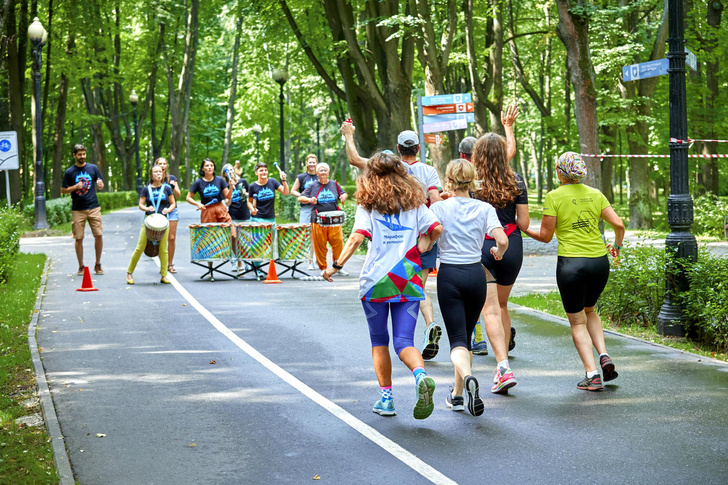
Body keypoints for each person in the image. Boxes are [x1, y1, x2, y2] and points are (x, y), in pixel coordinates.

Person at [322, 151, 443, 419]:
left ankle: (387, 399)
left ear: (371, 176)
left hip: (375, 282)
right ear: (401, 173)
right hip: (407, 278)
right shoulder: (415, 205)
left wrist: (336, 266)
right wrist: (423, 247)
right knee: (404, 342)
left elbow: (356, 237)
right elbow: (436, 228)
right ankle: (420, 375)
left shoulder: (368, 205)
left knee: (379, 341)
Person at [340, 123, 445, 362]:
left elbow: (355, 158)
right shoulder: (428, 171)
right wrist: (428, 237)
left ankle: (429, 326)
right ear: (418, 148)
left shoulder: (381, 168)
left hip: (388, 249)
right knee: (417, 284)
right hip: (421, 235)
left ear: (398, 149)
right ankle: (429, 324)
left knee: (380, 340)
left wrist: (349, 135)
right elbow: (436, 203)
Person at [524, 152, 625, 391]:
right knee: (590, 310)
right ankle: (603, 354)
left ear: (560, 172)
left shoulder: (554, 196)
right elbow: (619, 224)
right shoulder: (595, 194)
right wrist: (617, 247)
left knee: (577, 321)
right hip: (599, 262)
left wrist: (523, 229)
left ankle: (592, 375)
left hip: (572, 265)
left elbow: (545, 237)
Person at [430, 159, 508, 416]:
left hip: (450, 274)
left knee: (457, 342)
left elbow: (428, 239)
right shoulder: (484, 208)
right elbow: (502, 240)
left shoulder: (439, 208)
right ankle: (458, 395)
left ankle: (469, 378)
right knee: (465, 338)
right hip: (476, 275)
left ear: (449, 181)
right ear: (473, 180)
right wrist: (497, 251)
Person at [473, 109, 528, 395]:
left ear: (477, 155)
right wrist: (508, 128)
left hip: (483, 247)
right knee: (503, 306)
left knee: (490, 310)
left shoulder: (472, 183)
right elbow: (524, 223)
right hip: (512, 246)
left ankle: (502, 366)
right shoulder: (516, 180)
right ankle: (503, 360)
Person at [126, 165, 176, 285]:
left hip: (163, 222)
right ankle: (129, 273)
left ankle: (164, 275)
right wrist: (147, 208)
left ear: (163, 174)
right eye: (155, 171)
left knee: (163, 249)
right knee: (140, 247)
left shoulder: (167, 188)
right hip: (149, 221)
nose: (158, 173)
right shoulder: (146, 189)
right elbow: (140, 205)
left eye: (160, 171)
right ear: (151, 175)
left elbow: (173, 203)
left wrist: (168, 210)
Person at [61, 144, 105, 275]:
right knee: (79, 238)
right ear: (74, 155)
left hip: (93, 207)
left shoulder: (93, 168)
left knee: (98, 235)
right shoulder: (69, 172)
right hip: (78, 209)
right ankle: (81, 266)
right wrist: (75, 187)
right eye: (79, 154)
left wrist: (100, 185)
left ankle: (98, 264)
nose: (82, 157)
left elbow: (100, 184)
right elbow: (63, 190)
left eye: (84, 154)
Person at [298, 163, 348, 275]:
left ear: (328, 172)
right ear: (317, 173)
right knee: (320, 245)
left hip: (334, 220)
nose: (323, 172)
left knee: (338, 243)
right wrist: (310, 200)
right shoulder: (312, 186)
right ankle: (323, 268)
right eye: (321, 170)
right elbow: (300, 198)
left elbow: (344, 194)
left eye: (325, 170)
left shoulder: (334, 184)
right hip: (317, 220)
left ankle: (338, 266)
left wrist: (343, 197)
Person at [291, 154, 320, 269]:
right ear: (306, 163)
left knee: (319, 235)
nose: (312, 164)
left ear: (316, 163)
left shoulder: (320, 176)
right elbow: (293, 191)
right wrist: (304, 196)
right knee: (307, 234)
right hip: (306, 208)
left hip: (319, 208)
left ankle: (319, 259)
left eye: (314, 162)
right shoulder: (302, 177)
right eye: (310, 162)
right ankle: (310, 260)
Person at [153, 157, 181, 274]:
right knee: (160, 238)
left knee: (171, 238)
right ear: (156, 165)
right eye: (160, 164)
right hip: (159, 211)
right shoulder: (153, 179)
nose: (163, 166)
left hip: (172, 210)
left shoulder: (172, 179)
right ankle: (163, 265)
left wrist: (173, 186)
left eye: (164, 164)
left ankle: (170, 264)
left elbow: (179, 195)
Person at [186, 158, 232, 223]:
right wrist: (198, 204)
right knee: (209, 232)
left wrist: (231, 186)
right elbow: (188, 197)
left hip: (220, 208)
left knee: (229, 230)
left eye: (211, 165)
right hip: (207, 210)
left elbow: (228, 197)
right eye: (207, 166)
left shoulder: (220, 180)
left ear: (214, 168)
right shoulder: (198, 182)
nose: (209, 167)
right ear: (203, 168)